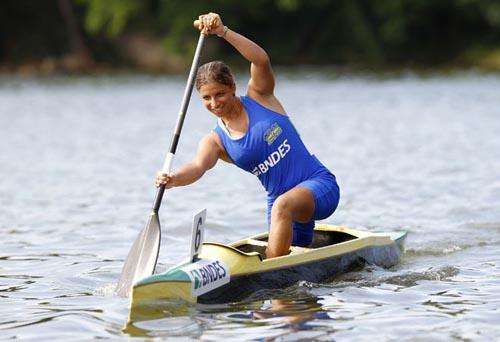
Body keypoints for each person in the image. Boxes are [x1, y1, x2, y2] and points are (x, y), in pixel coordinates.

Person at [156, 12, 340, 258]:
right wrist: (173, 179)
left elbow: (261, 59)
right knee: (292, 240)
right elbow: (198, 166)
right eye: (206, 98)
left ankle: (275, 278)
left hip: (320, 186)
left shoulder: (260, 97)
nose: (214, 103)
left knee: (282, 208)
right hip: (280, 206)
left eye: (220, 94)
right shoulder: (216, 141)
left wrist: (222, 32)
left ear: (232, 88)